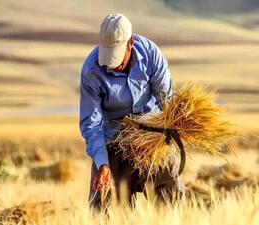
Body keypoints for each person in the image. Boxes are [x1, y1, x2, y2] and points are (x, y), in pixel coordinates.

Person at [79, 13, 184, 210]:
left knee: (172, 203)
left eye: (117, 55)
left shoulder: (151, 54)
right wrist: (102, 163)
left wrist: (175, 127)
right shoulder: (91, 70)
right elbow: (91, 124)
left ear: (131, 43)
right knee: (102, 206)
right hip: (114, 140)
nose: (113, 62)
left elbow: (166, 100)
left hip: (152, 138)